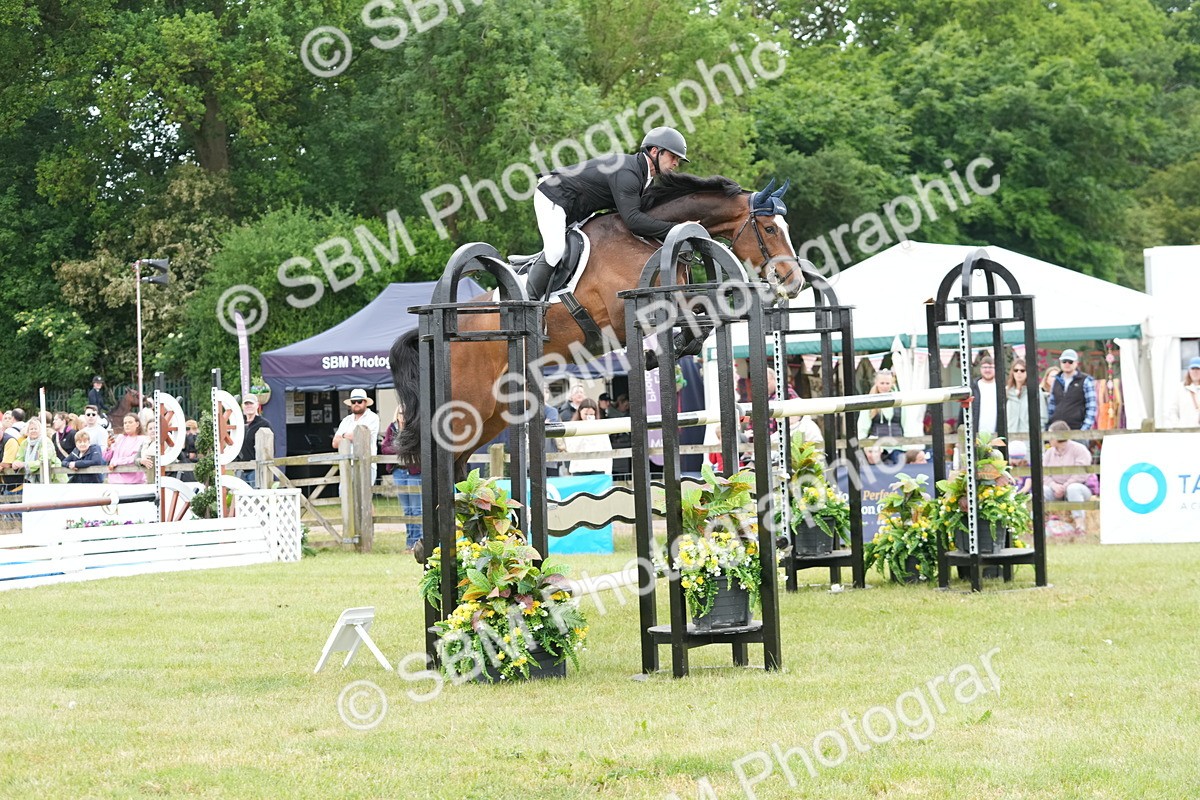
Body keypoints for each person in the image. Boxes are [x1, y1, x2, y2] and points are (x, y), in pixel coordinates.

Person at [527, 126, 688, 297]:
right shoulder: (628, 173)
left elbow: (647, 218)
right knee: (555, 251)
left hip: (578, 209)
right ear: (655, 151)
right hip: (554, 194)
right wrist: (676, 229)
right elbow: (634, 221)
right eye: (673, 156)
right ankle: (528, 304)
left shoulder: (646, 180)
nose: (676, 163)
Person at [382, 406, 423, 551]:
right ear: (396, 414)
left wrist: (398, 448)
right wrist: (402, 449)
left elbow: (417, 447)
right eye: (400, 413)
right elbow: (384, 448)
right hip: (399, 471)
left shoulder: (415, 428)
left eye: (406, 413)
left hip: (414, 471)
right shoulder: (392, 428)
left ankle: (418, 543)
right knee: (407, 511)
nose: (403, 416)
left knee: (417, 509)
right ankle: (409, 542)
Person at [1043, 420, 1093, 535]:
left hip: (1079, 488)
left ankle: (1080, 526)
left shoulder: (1079, 449)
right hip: (1055, 490)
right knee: (1043, 490)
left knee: (1073, 489)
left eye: (1051, 435)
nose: (1049, 438)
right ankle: (1039, 526)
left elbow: (1081, 473)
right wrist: (1054, 486)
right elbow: (1043, 474)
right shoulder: (1049, 453)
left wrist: (1065, 487)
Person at [333, 389, 380, 483]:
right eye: (353, 402)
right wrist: (348, 436)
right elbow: (334, 443)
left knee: (364, 496)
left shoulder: (373, 417)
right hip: (347, 464)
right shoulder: (346, 420)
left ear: (365, 402)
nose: (356, 404)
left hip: (366, 464)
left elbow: (363, 438)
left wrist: (343, 436)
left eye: (359, 401)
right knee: (345, 495)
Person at [858, 369, 904, 465]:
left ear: (892, 383)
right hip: (877, 448)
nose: (884, 386)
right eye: (882, 383)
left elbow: (906, 423)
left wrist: (909, 445)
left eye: (887, 383)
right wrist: (861, 445)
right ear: (876, 383)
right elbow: (863, 426)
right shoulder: (869, 402)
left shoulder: (900, 400)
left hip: (898, 446)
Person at [1046, 349, 1096, 430]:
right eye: (1064, 361)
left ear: (1076, 363)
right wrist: (1049, 427)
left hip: (1077, 429)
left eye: (1070, 361)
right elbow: (1051, 406)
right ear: (1060, 363)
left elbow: (1091, 407)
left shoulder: (1085, 381)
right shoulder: (1056, 381)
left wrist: (1084, 430)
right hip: (1056, 429)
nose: (1067, 364)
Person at [561, 399, 612, 475]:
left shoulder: (601, 427)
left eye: (591, 415)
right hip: (579, 469)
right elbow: (570, 449)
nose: (588, 417)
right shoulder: (572, 427)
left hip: (598, 468)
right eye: (586, 414)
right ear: (580, 412)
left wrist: (608, 471)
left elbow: (607, 448)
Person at [12, 418, 65, 483]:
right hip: (31, 479)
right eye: (31, 429)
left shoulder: (46, 442)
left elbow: (44, 460)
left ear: (40, 430)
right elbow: (19, 457)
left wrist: (25, 465)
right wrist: (16, 463)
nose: (33, 431)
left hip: (52, 477)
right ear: (27, 431)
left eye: (36, 429)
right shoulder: (24, 443)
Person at [237, 397, 272, 487]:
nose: (249, 406)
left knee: (256, 497)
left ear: (257, 405)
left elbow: (270, 449)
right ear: (242, 406)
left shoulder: (264, 424)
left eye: (251, 403)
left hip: (256, 469)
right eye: (246, 404)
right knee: (240, 498)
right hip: (240, 469)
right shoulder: (238, 424)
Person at [963, 356, 1001, 435]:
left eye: (990, 367)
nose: (987, 370)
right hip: (976, 435)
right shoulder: (971, 388)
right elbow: (964, 410)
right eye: (985, 367)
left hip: (997, 435)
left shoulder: (1001, 387)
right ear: (980, 369)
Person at [105, 413, 147, 484]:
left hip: (134, 481)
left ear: (137, 424)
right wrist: (109, 446)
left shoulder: (143, 439)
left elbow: (135, 458)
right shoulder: (120, 438)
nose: (127, 425)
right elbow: (107, 458)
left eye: (130, 422)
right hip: (114, 479)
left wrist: (116, 462)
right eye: (125, 423)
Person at [1167, 356, 1200, 428]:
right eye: (1193, 369)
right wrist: (1178, 426)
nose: (1195, 372)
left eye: (1198, 369)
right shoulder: (1180, 388)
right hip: (1184, 432)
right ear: (1189, 371)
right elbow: (1172, 411)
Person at [1005, 358, 1032, 434]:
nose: (1019, 373)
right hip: (1011, 436)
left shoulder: (1035, 391)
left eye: (1022, 370)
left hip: (1029, 437)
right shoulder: (1007, 392)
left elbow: (1042, 417)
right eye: (1016, 370)